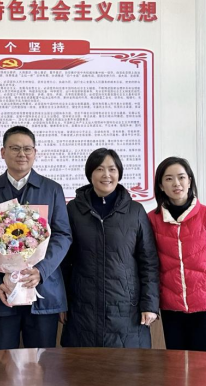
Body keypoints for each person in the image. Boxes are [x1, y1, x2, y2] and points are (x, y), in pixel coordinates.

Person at [0, 126, 72, 350]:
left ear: (35, 153)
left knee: (41, 363)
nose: (21, 154)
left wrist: (41, 271)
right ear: (3, 152)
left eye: (27, 149)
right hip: (1, 293)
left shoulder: (52, 189)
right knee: (2, 362)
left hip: (42, 289)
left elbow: (63, 235)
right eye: (15, 148)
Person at [61, 148, 159, 349]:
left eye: (112, 169)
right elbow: (63, 262)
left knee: (126, 367)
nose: (106, 175)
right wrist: (61, 303)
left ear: (119, 174)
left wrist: (150, 305)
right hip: (82, 308)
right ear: (90, 174)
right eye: (99, 169)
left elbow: (148, 262)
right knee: (83, 365)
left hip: (126, 309)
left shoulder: (136, 211)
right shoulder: (73, 210)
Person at [147, 156, 206, 352]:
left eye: (181, 177)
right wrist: (149, 305)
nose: (176, 183)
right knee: (176, 365)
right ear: (161, 186)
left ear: (189, 181)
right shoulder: (151, 220)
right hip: (171, 307)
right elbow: (147, 265)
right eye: (169, 179)